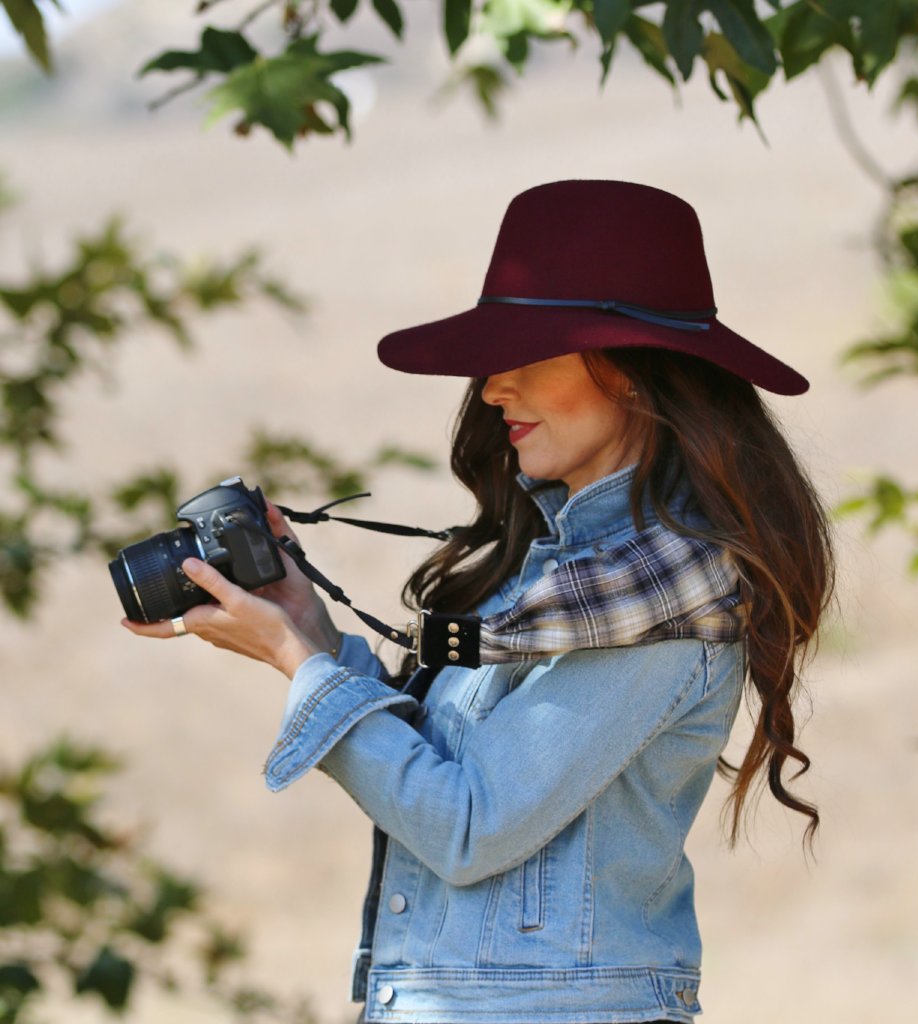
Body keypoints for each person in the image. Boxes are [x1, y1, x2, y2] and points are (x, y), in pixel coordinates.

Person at [123, 180, 835, 1024]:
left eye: (530, 353)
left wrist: (298, 664)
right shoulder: (549, 582)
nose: (495, 387)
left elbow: (469, 827)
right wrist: (310, 627)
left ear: (633, 369)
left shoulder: (664, 592)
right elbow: (445, 783)